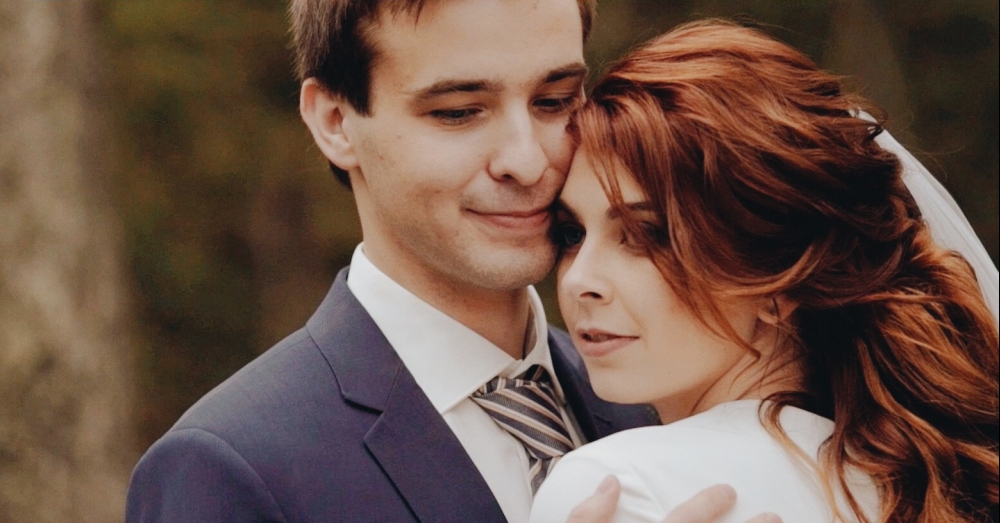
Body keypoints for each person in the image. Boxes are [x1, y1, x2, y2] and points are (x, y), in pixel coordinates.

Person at [124, 2, 778, 522]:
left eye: (554, 101)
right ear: (335, 121)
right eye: (459, 112)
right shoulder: (228, 469)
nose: (527, 160)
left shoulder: (666, 391)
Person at [529, 20, 999, 523]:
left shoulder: (612, 485)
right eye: (572, 234)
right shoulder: (918, 487)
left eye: (646, 236)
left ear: (780, 284)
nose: (578, 281)